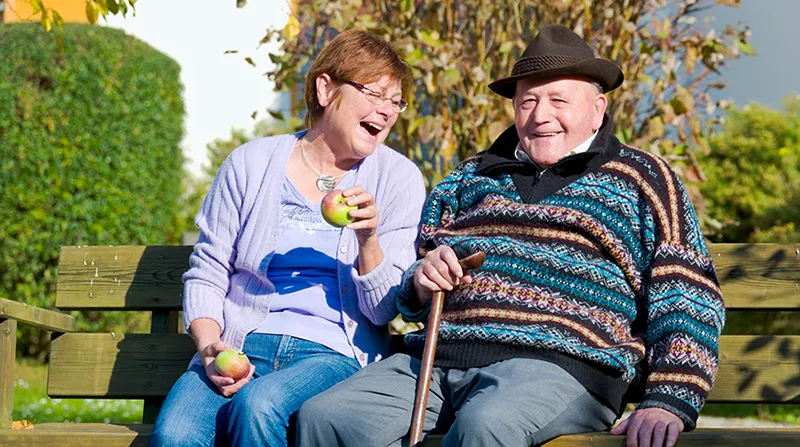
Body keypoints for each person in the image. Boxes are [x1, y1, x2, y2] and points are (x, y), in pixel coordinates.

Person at [297, 24, 726, 447]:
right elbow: (411, 293)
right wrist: (423, 279)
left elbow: (687, 295)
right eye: (527, 102)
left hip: (559, 368)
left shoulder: (643, 179)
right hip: (436, 361)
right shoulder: (467, 178)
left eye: (558, 100)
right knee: (327, 418)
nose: (540, 116)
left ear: (597, 108)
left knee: (486, 425)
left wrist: (670, 398)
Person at [150, 29, 426, 447]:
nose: (386, 111)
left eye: (395, 101)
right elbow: (208, 270)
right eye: (374, 94)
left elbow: (382, 311)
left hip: (335, 353)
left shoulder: (398, 179)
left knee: (260, 405)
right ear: (325, 88)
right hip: (240, 344)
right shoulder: (250, 163)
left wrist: (369, 241)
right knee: (175, 434)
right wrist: (210, 348)